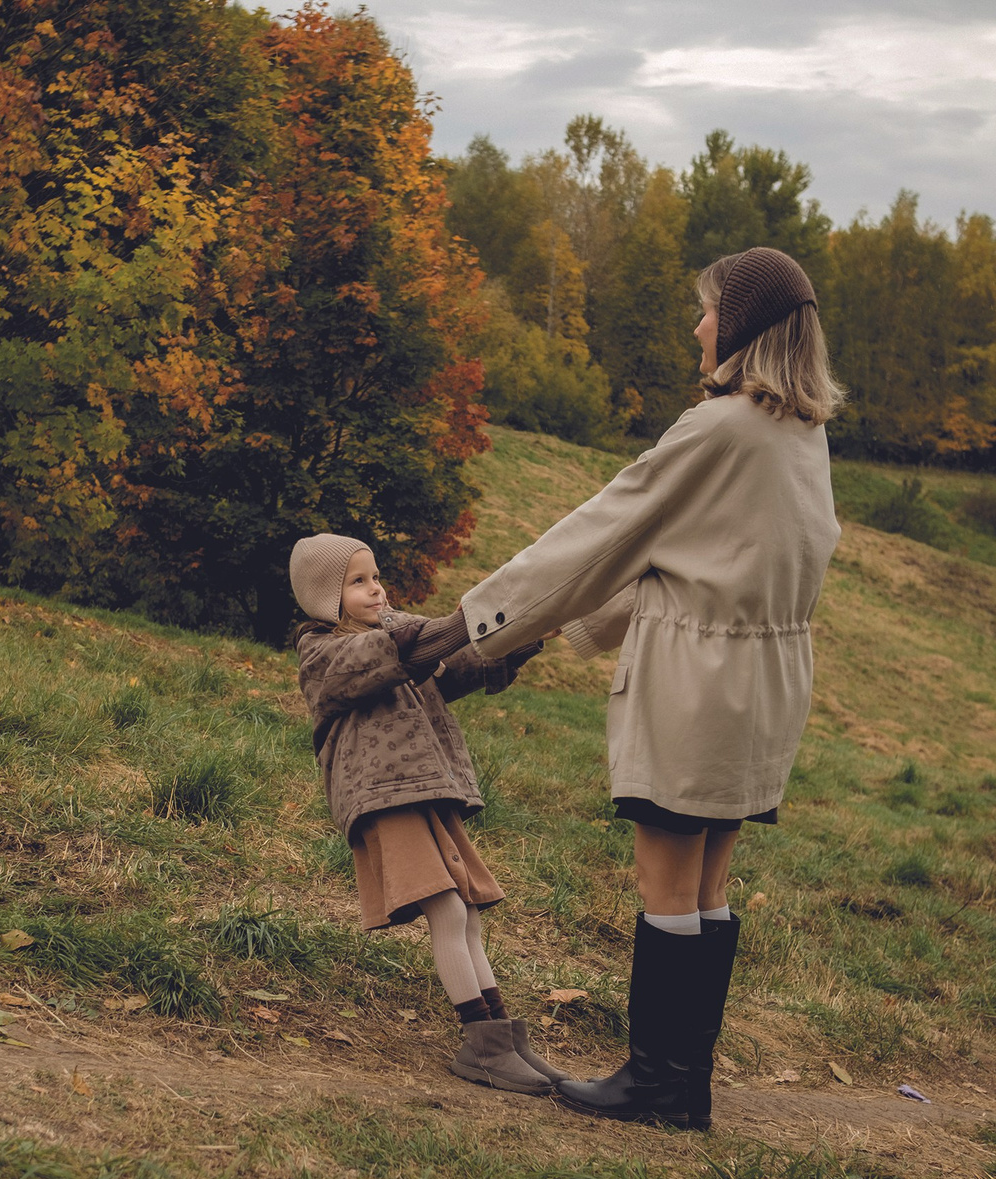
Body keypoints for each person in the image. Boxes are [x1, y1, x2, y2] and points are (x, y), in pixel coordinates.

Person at [435, 247, 843, 1129]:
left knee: (665, 876)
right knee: (708, 885)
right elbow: (692, 563)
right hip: (766, 684)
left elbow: (600, 538)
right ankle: (682, 1083)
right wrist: (556, 636)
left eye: (707, 312)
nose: (698, 327)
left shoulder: (720, 428)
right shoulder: (799, 433)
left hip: (698, 681)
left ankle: (656, 1083)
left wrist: (471, 624)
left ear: (743, 329)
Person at [291, 533, 558, 1095]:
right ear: (323, 597)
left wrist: (525, 633)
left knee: (468, 912)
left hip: (425, 787)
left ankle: (505, 1040)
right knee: (448, 912)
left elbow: (459, 665)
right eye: (357, 581)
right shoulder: (323, 653)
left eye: (375, 576)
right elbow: (407, 653)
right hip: (382, 793)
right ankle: (480, 1044)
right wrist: (470, 617)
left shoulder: (396, 631)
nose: (376, 588)